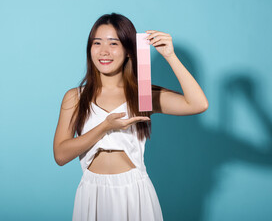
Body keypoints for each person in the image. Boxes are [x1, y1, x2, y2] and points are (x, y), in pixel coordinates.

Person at [53, 13, 208, 221]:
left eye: (113, 43)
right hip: (92, 192)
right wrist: (105, 127)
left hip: (133, 192)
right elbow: (61, 155)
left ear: (128, 51)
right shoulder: (76, 97)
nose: (104, 51)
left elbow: (198, 104)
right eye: (97, 43)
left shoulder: (142, 95)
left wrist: (170, 56)